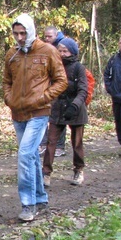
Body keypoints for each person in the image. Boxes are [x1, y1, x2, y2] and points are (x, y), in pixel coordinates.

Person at [3, 14, 67, 222]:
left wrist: (44, 98)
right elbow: (6, 81)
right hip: (18, 112)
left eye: (23, 33)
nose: (20, 37)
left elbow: (61, 81)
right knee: (30, 157)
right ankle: (40, 198)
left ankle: (28, 204)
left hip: (39, 113)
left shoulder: (48, 51)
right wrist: (9, 98)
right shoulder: (12, 54)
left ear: (31, 31)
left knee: (24, 155)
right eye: (16, 33)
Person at [42, 38, 88, 187]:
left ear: (72, 52)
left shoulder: (79, 68)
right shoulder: (54, 66)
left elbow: (83, 90)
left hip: (76, 109)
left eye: (65, 51)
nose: (62, 54)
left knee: (77, 143)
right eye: (60, 50)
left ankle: (78, 170)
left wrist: (74, 106)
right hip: (58, 108)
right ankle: (46, 173)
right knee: (51, 142)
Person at [40, 26, 67, 157]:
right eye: (45, 36)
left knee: (59, 117)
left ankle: (60, 146)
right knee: (44, 114)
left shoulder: (63, 47)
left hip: (59, 87)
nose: (47, 38)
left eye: (49, 36)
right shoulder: (43, 48)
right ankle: (44, 144)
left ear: (56, 35)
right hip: (45, 86)